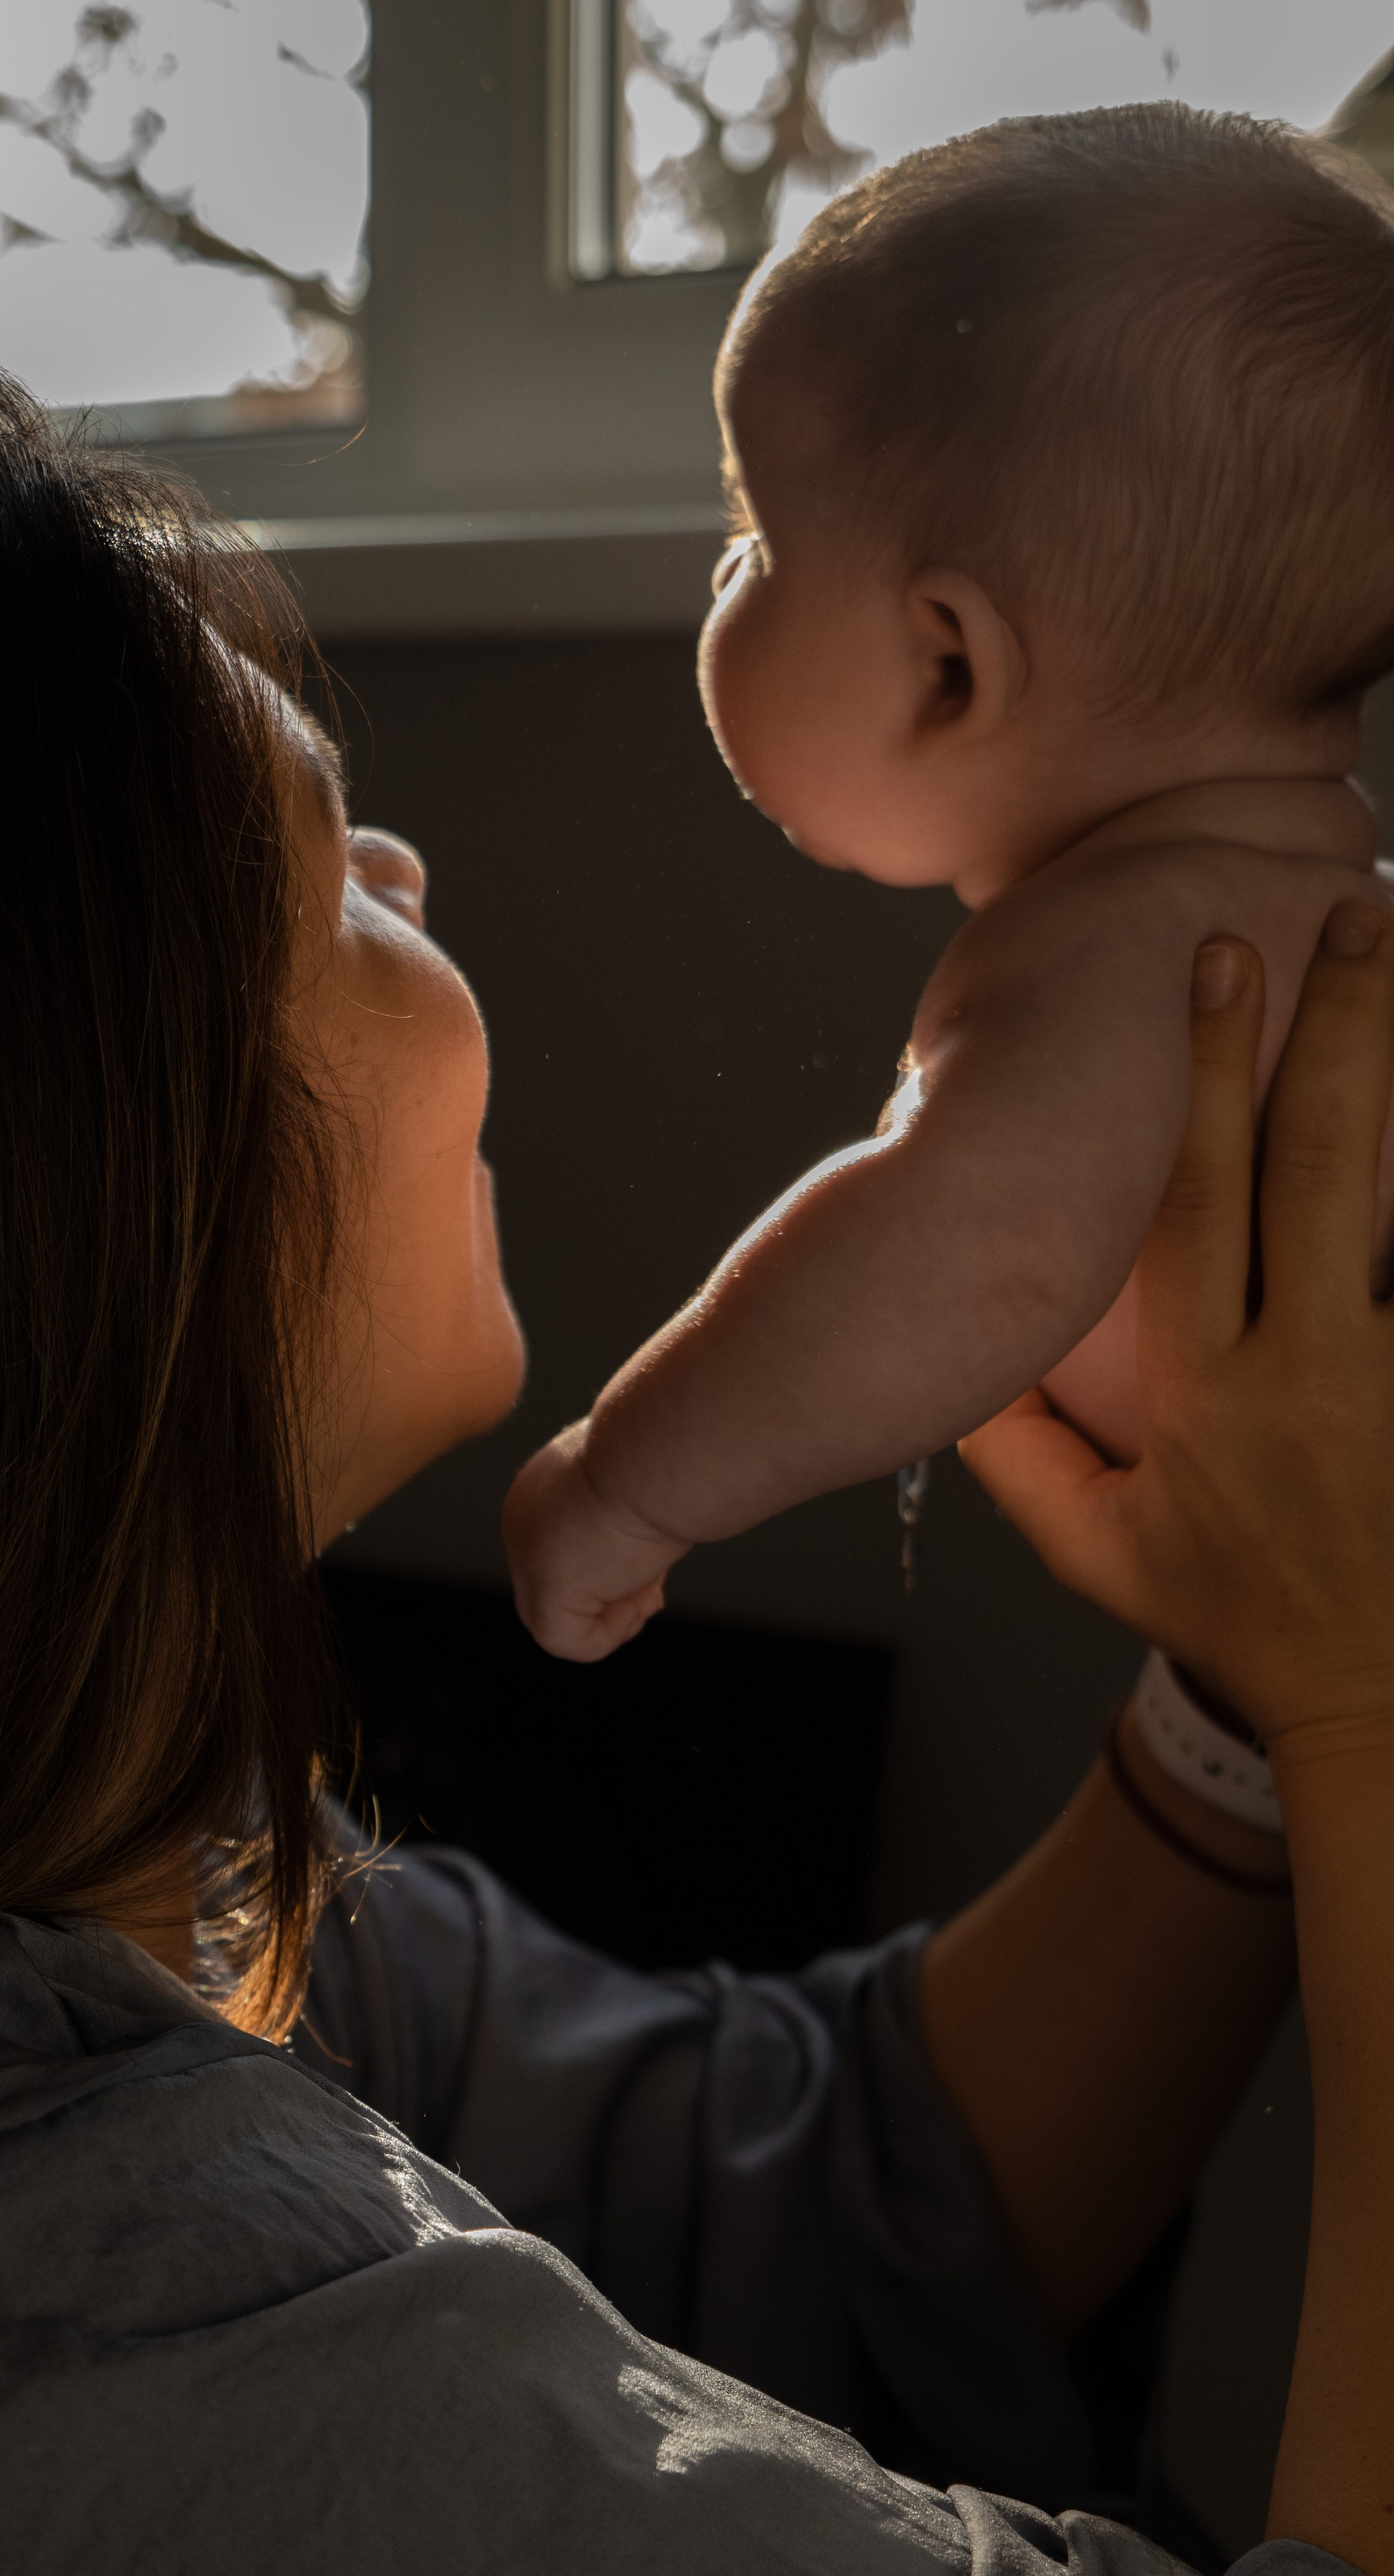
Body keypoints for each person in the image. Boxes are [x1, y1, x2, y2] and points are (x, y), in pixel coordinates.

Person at [0, 350, 1384, 2576]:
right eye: (326, 885)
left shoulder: (117, 1863)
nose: (408, 863)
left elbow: (817, 2185)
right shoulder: (48, 2336)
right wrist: (1373, 1710)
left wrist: (1263, 1695)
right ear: (82, 1196)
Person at [502, 103, 1394, 1664]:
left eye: (752, 534)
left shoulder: (1131, 959)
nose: (721, 575)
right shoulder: (1300, 904)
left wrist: (627, 1484)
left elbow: (958, 1249)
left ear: (946, 665)